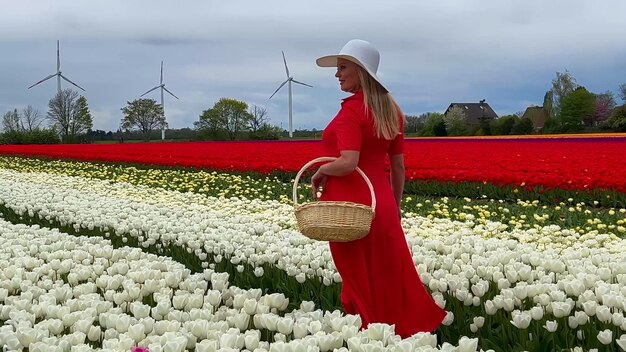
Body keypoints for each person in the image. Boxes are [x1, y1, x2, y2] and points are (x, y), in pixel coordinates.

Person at [311, 39, 446, 338]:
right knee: (389, 274)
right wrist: (395, 207)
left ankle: (369, 336)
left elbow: (347, 162)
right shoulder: (391, 111)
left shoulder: (351, 112)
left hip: (349, 207)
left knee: (357, 279)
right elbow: (398, 167)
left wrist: (321, 170)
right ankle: (404, 334)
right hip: (381, 202)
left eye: (342, 67)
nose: (337, 74)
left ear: (361, 71)